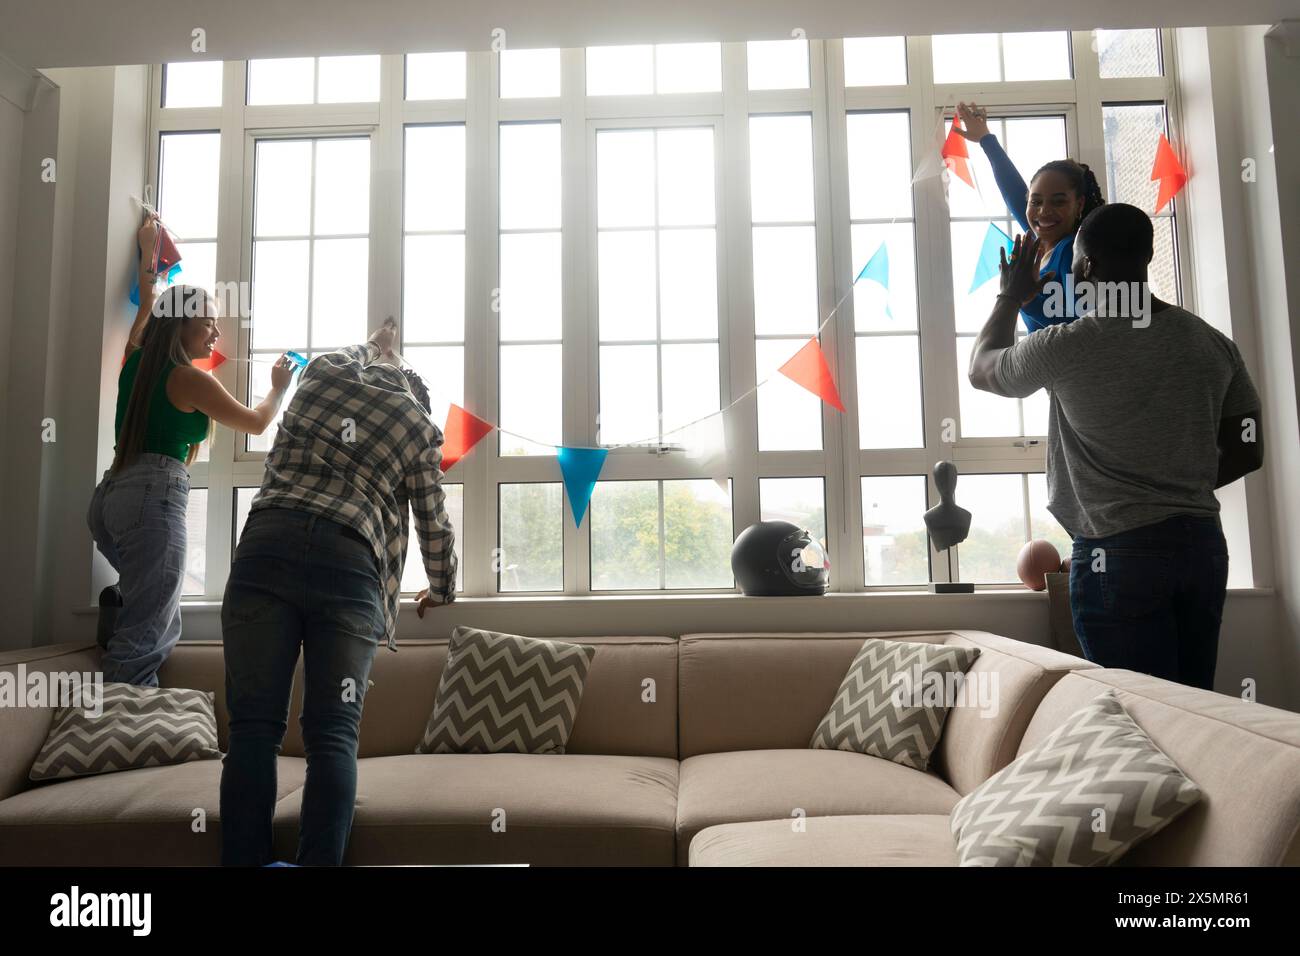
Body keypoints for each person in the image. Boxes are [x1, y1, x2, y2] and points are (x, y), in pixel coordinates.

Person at [968, 204, 1264, 690]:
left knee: (1135, 716)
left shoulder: (1069, 344)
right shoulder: (1211, 343)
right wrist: (1175, 481)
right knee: (1195, 710)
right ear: (1146, 256)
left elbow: (982, 369)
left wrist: (1009, 296)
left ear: (1086, 266)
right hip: (1201, 546)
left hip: (1118, 553)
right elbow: (1248, 448)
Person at [220, 317, 457, 867]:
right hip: (348, 565)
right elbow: (433, 522)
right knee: (333, 735)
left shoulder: (322, 374)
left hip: (266, 545)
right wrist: (442, 589)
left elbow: (357, 358)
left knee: (253, 729)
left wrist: (380, 341)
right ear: (414, 390)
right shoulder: (415, 422)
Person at [87, 213, 294, 687]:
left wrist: (148, 249)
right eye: (208, 325)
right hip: (151, 500)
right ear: (180, 326)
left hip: (109, 499)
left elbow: (149, 298)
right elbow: (257, 422)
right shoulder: (189, 379)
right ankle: (121, 736)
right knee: (150, 633)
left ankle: (120, 610)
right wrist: (279, 387)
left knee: (145, 602)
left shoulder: (137, 350)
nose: (216, 336)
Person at [954, 101, 1106, 331]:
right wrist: (986, 139)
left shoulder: (1070, 251)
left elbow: (1082, 326)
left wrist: (1024, 299)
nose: (1044, 211)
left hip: (1066, 365)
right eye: (1036, 202)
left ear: (1079, 204)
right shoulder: (1044, 241)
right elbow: (1014, 193)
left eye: (1059, 201)